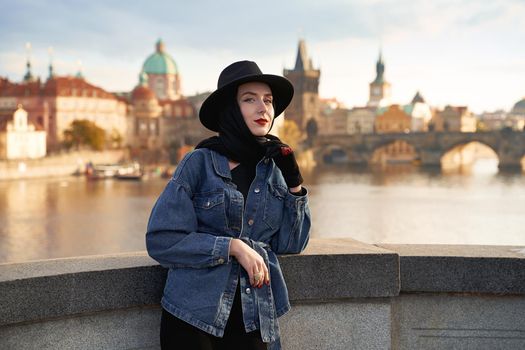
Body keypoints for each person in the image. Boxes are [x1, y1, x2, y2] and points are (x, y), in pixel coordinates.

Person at [146, 60, 311, 350]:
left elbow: (292, 243)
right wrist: (232, 247)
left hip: (254, 314)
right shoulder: (199, 163)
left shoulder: (274, 167)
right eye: (250, 99)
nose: (263, 108)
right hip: (193, 315)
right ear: (231, 110)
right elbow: (163, 240)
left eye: (268, 101)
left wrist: (295, 183)